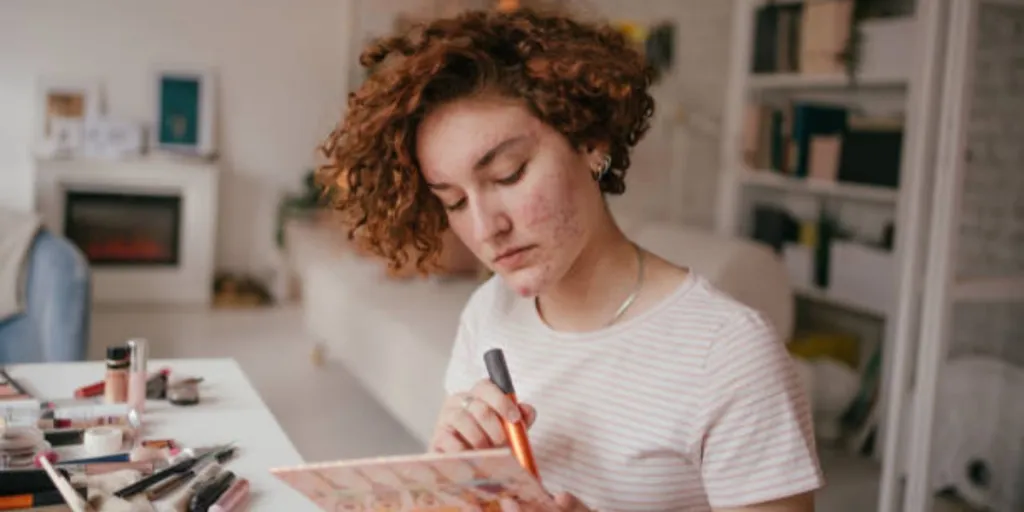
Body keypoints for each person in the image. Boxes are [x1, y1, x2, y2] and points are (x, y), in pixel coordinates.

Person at [318, 6, 823, 512]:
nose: (484, 227)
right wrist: (451, 478)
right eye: (453, 201)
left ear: (590, 144)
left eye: (509, 174)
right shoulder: (486, 313)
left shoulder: (728, 354)